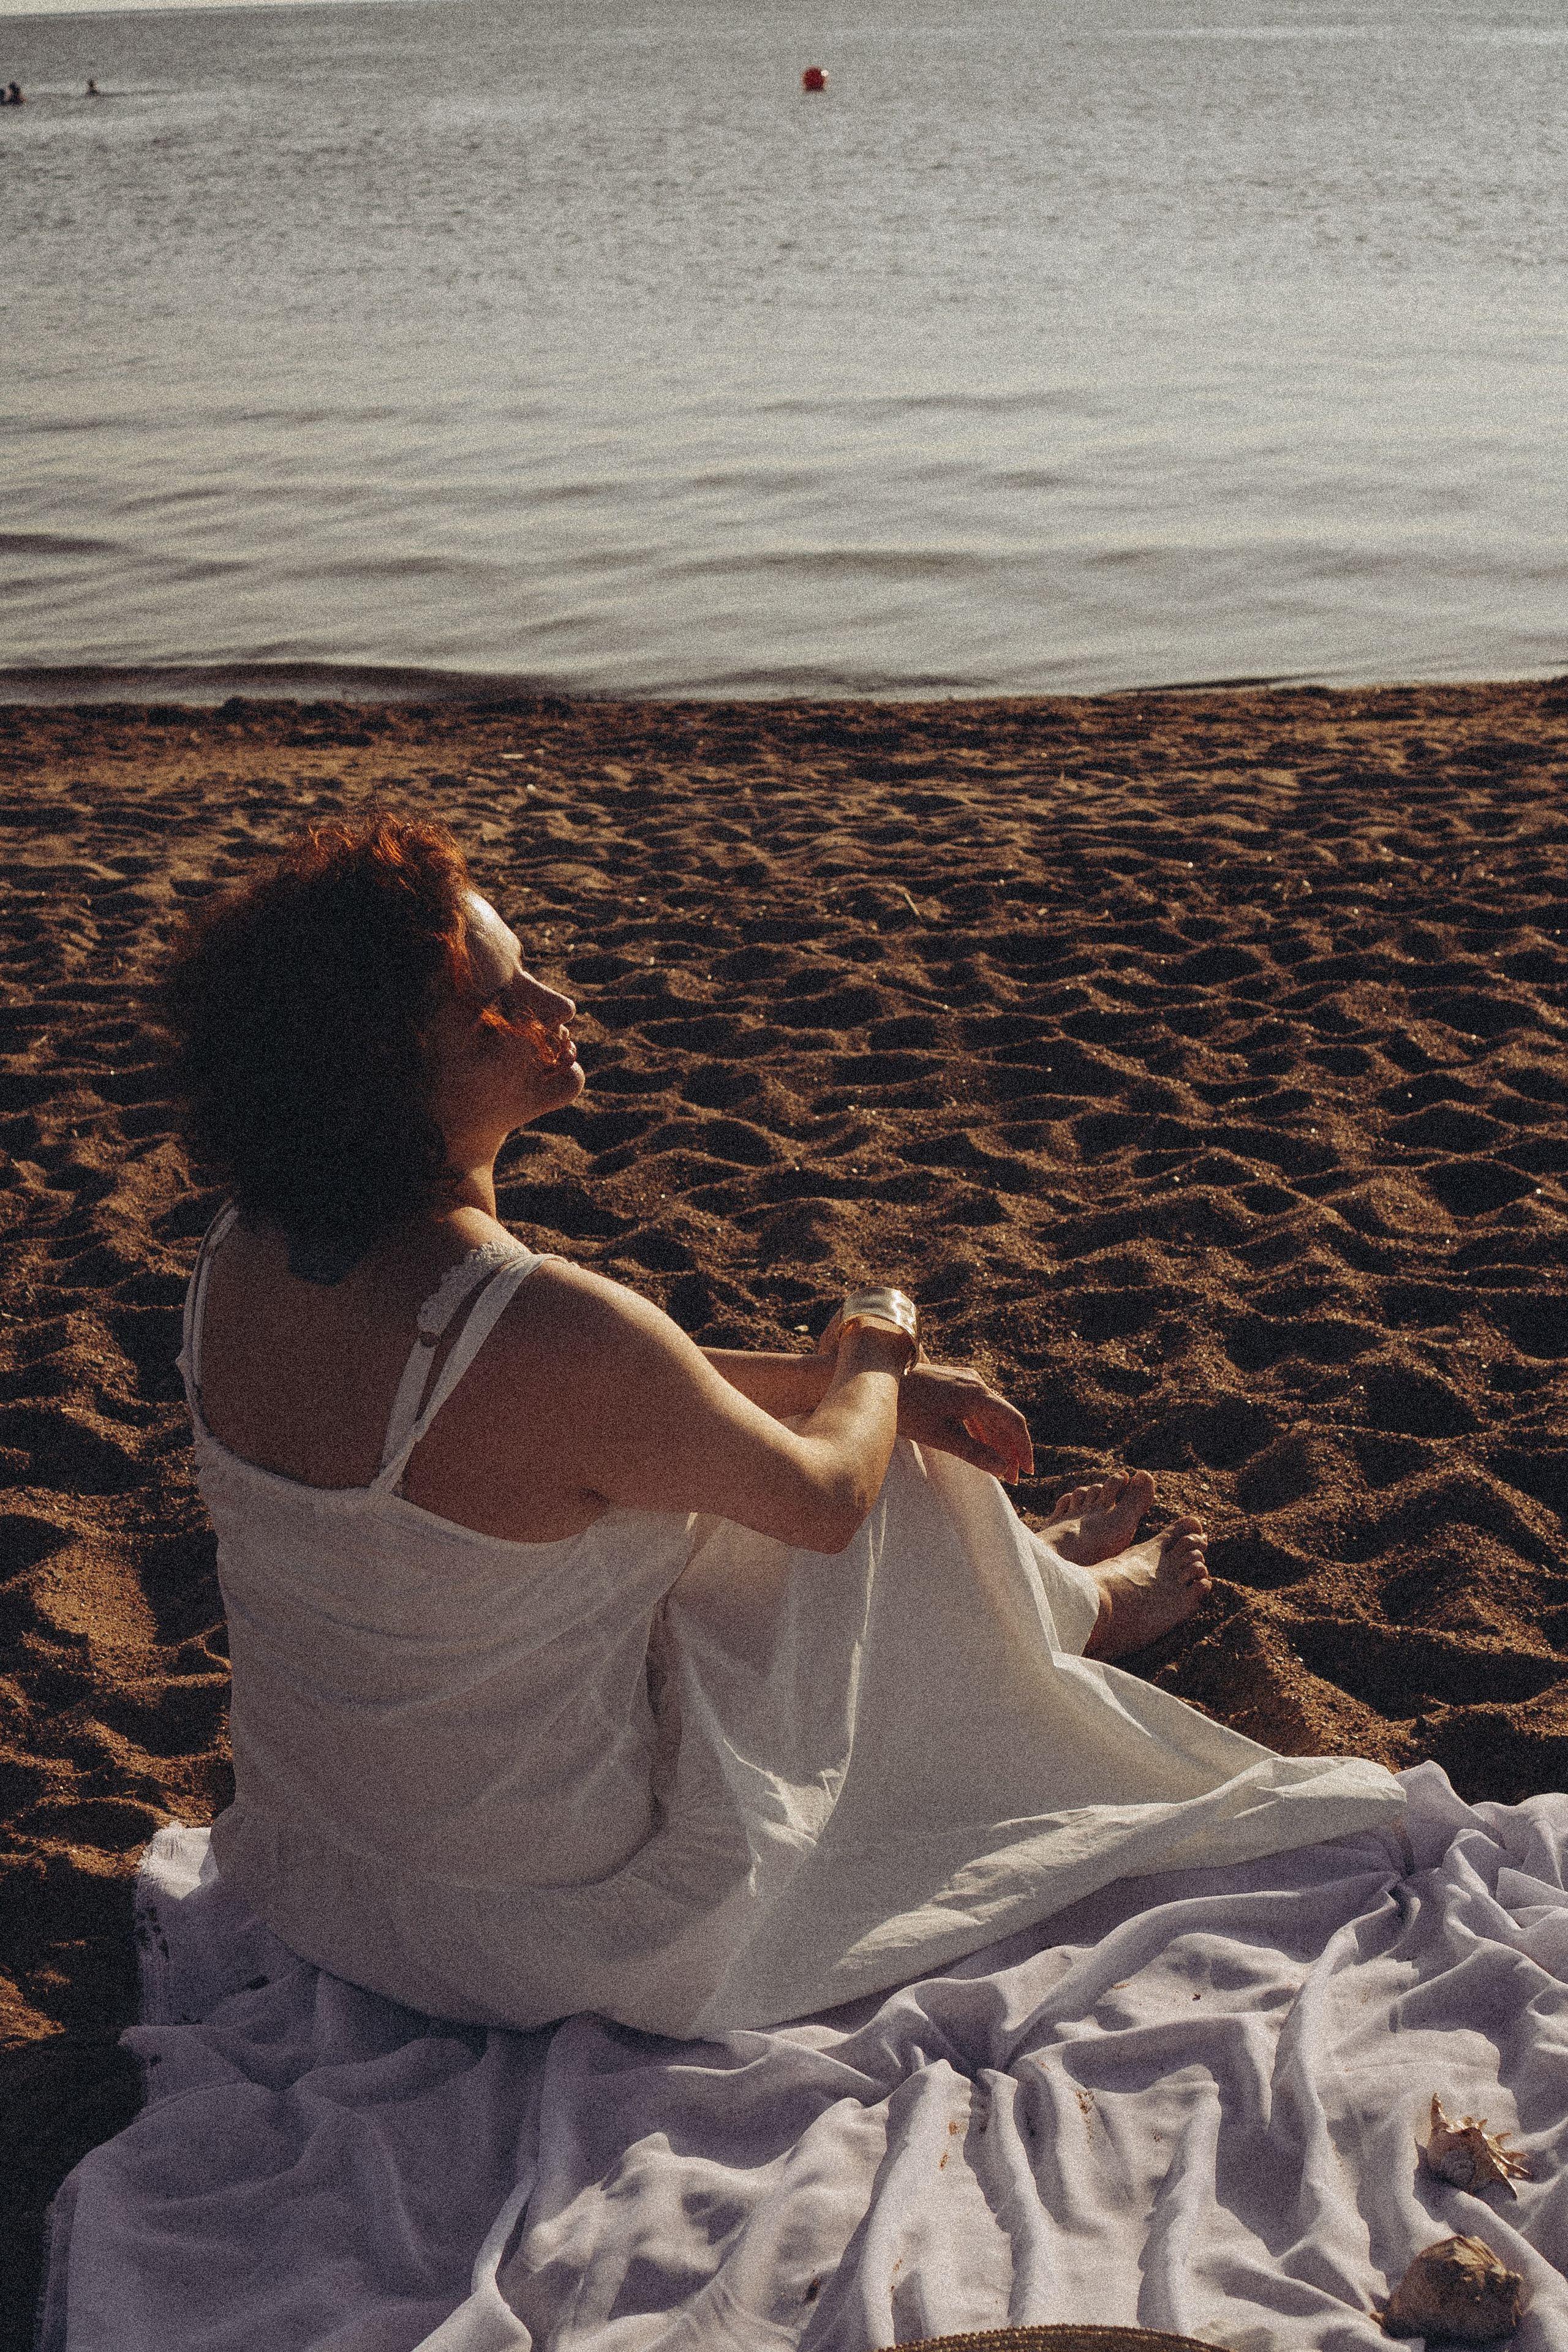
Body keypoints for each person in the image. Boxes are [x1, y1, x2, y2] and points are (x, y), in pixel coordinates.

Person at [161, 815, 1402, 2038]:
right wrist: (870, 1343)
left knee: (814, 1448)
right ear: (392, 1073)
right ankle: (1080, 1604)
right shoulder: (541, 1328)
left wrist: (854, 1388)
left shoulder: (240, 1253)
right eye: (500, 1000)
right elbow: (818, 1503)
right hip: (549, 1932)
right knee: (883, 1476)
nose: (554, 1001)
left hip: (328, 1885)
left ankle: (1035, 1574)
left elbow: (614, 1399)